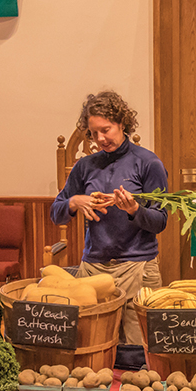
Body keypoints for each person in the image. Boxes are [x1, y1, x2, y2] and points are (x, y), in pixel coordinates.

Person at [51, 90, 168, 347]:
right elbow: (55, 211)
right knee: (87, 348)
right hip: (93, 269)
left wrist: (134, 210)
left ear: (122, 124)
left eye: (106, 130)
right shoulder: (85, 166)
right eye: (93, 133)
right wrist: (74, 201)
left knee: (140, 353)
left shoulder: (148, 163)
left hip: (137, 268)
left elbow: (160, 221)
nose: (100, 139)